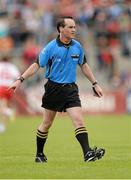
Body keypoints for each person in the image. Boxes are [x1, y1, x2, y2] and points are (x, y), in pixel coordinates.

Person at [9, 16, 105, 162]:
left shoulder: (77, 46)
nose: (74, 30)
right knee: (47, 124)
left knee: (79, 121)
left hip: (71, 89)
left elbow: (84, 65)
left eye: (74, 27)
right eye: (70, 27)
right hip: (53, 89)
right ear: (61, 29)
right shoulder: (50, 48)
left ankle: (87, 153)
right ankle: (39, 154)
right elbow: (36, 65)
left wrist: (95, 83)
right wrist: (20, 80)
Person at [0, 55, 20, 133]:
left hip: (1, 86)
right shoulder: (12, 66)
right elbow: (17, 76)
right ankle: (3, 126)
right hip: (9, 87)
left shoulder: (0, 65)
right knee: (4, 105)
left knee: (2, 107)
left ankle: (9, 111)